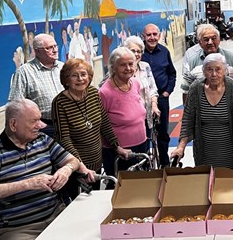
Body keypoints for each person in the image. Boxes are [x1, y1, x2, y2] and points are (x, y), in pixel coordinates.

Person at [0, 99, 93, 240]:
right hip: (16, 228)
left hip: (55, 214)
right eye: (33, 121)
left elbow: (73, 160)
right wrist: (26, 184)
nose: (40, 126)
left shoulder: (42, 140)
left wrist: (66, 169)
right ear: (13, 124)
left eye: (40, 119)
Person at [52, 58, 130, 198]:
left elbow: (104, 123)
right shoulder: (60, 103)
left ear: (89, 76)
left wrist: (117, 146)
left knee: (94, 197)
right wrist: (80, 166)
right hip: (74, 166)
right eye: (74, 75)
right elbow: (64, 138)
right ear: (66, 79)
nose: (80, 79)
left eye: (83, 74)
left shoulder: (94, 93)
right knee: (78, 202)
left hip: (96, 160)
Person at [170, 53, 233, 168]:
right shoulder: (196, 88)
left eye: (218, 69)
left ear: (225, 70)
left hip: (230, 152)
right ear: (204, 71)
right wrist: (181, 147)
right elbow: (188, 119)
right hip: (204, 152)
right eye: (209, 69)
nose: (214, 74)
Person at [99, 47, 147, 180]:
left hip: (141, 143)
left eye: (131, 64)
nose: (128, 68)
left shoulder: (135, 83)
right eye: (123, 65)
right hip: (119, 151)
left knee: (142, 183)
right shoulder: (105, 92)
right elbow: (101, 124)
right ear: (113, 67)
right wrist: (117, 148)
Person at [9, 33, 64, 138]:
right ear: (38, 51)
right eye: (49, 48)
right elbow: (15, 105)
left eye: (55, 46)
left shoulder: (63, 67)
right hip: (43, 128)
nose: (55, 50)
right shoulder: (24, 72)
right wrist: (39, 124)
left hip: (68, 125)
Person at [181, 24, 233, 103]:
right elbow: (186, 91)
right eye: (206, 39)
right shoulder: (192, 62)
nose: (210, 42)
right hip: (202, 110)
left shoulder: (232, 59)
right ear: (200, 43)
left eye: (214, 38)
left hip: (230, 109)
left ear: (219, 40)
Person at [141, 23, 176, 167]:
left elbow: (172, 73)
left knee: (162, 132)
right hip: (141, 100)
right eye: (149, 35)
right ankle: (144, 162)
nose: (152, 37)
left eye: (155, 34)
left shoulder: (164, 52)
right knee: (143, 133)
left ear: (159, 35)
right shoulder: (138, 52)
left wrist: (167, 91)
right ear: (143, 36)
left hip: (161, 97)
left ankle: (164, 162)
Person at [122, 36, 160, 126]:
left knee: (148, 139)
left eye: (139, 51)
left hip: (147, 116)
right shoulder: (120, 70)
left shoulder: (145, 66)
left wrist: (154, 105)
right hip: (129, 120)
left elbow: (152, 89)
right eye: (132, 51)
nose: (136, 54)